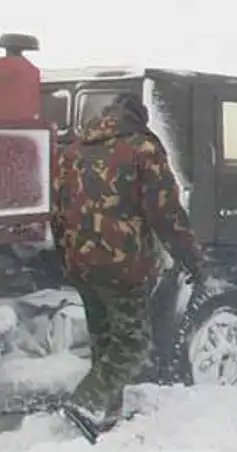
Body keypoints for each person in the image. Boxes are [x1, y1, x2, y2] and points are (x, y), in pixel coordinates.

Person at [50, 93, 208, 432]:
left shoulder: (73, 151)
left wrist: (65, 258)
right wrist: (191, 258)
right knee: (133, 344)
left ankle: (106, 416)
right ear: (139, 118)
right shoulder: (142, 150)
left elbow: (57, 212)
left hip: (81, 262)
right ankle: (86, 402)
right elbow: (166, 214)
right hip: (123, 265)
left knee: (105, 341)